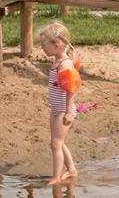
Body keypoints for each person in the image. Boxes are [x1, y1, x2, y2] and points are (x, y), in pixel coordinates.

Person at [37, 21, 81, 185]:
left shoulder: (65, 65)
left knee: (56, 143)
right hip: (56, 109)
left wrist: (69, 112)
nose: (42, 48)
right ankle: (71, 170)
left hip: (64, 109)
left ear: (56, 44)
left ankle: (56, 176)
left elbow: (71, 90)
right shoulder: (57, 61)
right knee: (57, 142)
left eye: (44, 45)